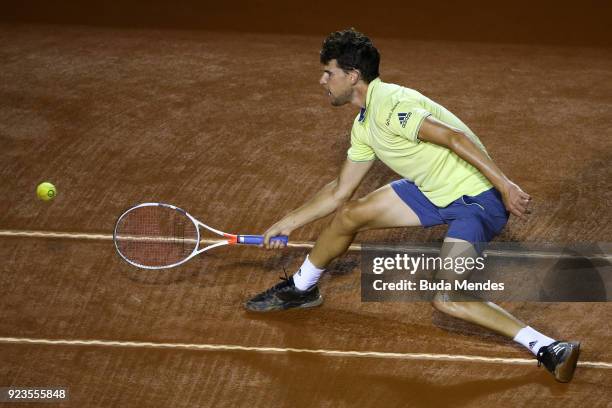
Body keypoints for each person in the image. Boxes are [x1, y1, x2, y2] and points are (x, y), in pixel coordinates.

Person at [245, 28, 580, 382]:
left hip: (476, 200)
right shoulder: (365, 124)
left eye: (329, 72)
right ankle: (302, 288)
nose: (322, 80)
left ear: (353, 76)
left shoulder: (391, 105)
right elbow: (340, 190)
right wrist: (289, 220)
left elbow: (454, 137)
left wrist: (504, 185)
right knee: (350, 214)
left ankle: (546, 346)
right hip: (433, 190)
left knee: (447, 297)